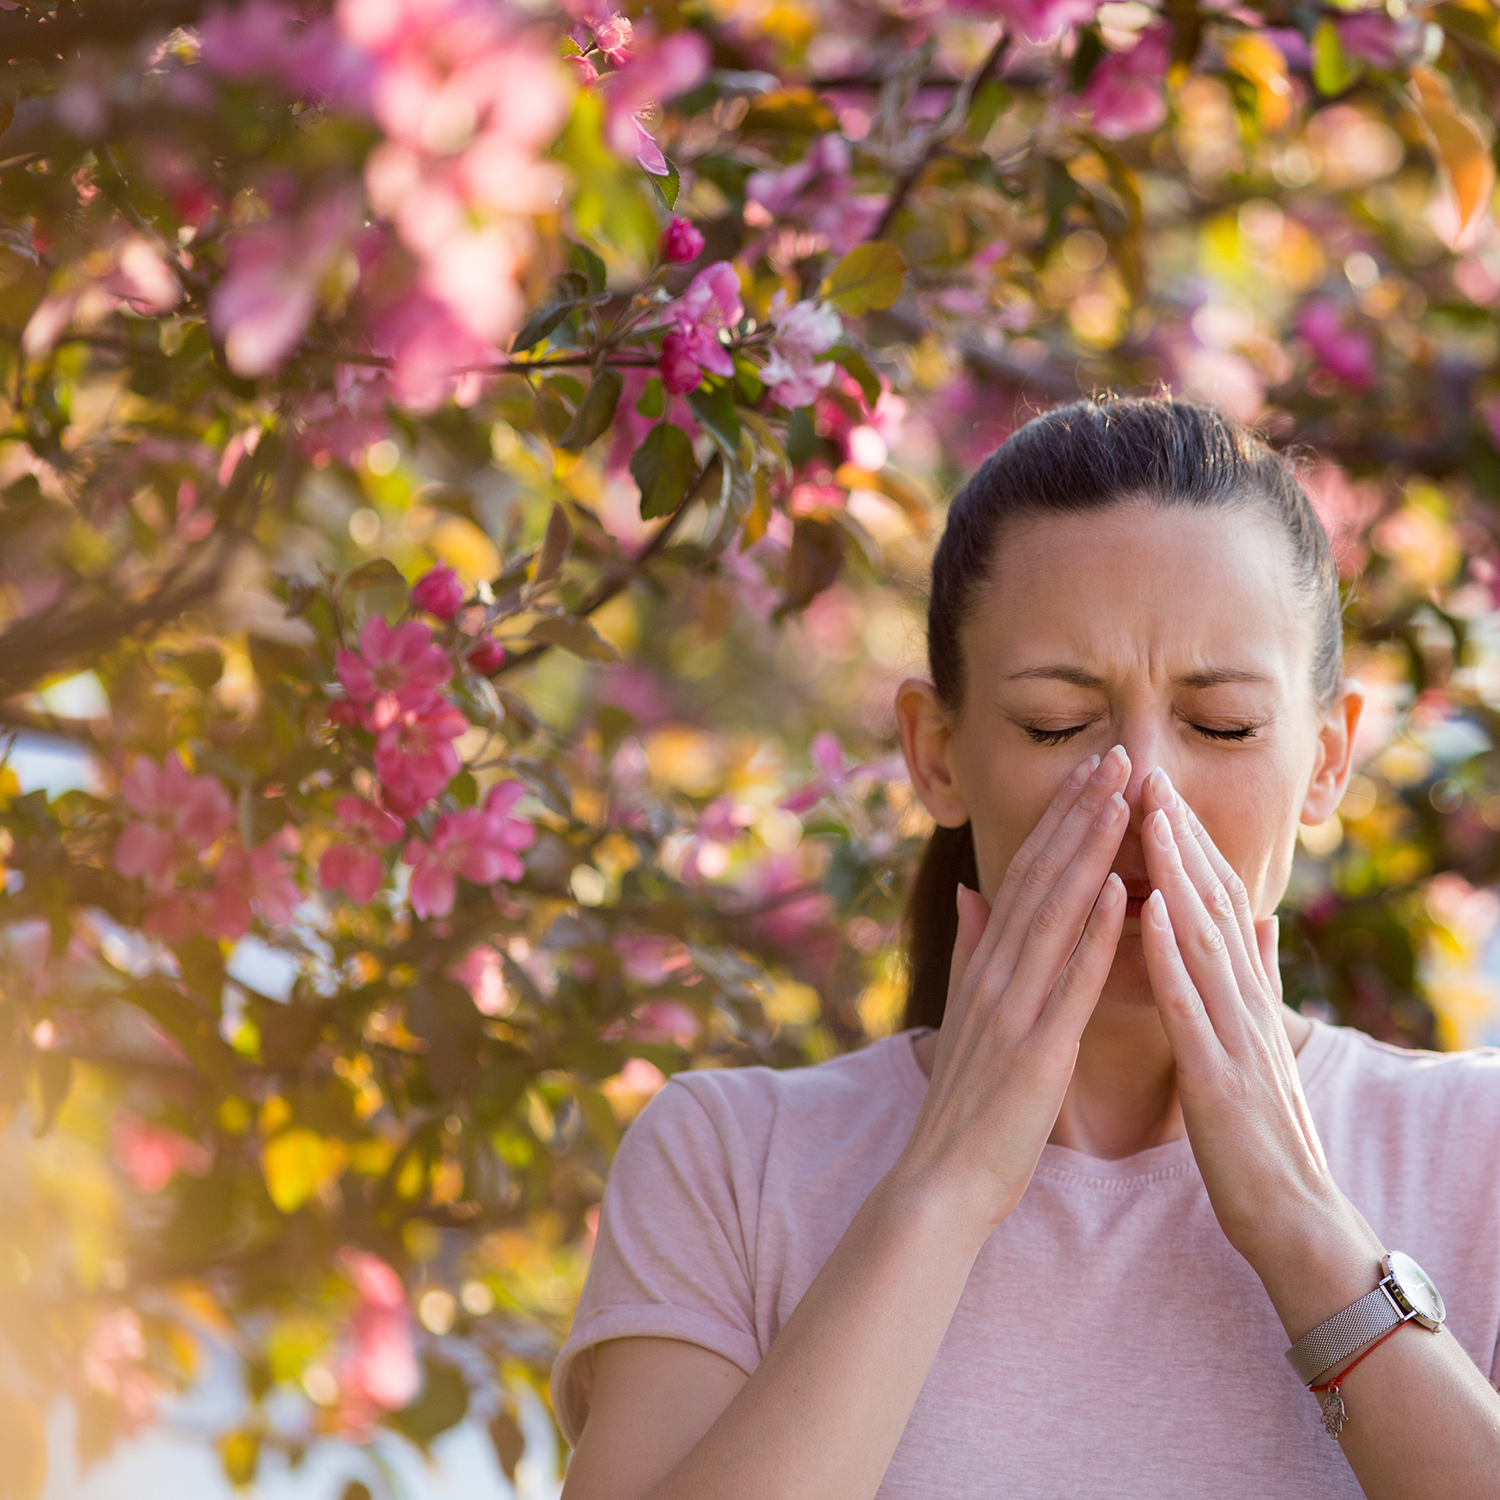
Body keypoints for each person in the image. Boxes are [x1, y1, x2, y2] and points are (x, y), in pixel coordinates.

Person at [549, 396, 1500, 1499]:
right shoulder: (731, 1162)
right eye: (1058, 723)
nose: (1144, 788)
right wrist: (945, 1185)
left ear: (1329, 758)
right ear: (938, 752)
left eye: (1224, 725)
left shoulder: (1473, 1154)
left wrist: (1301, 1221)